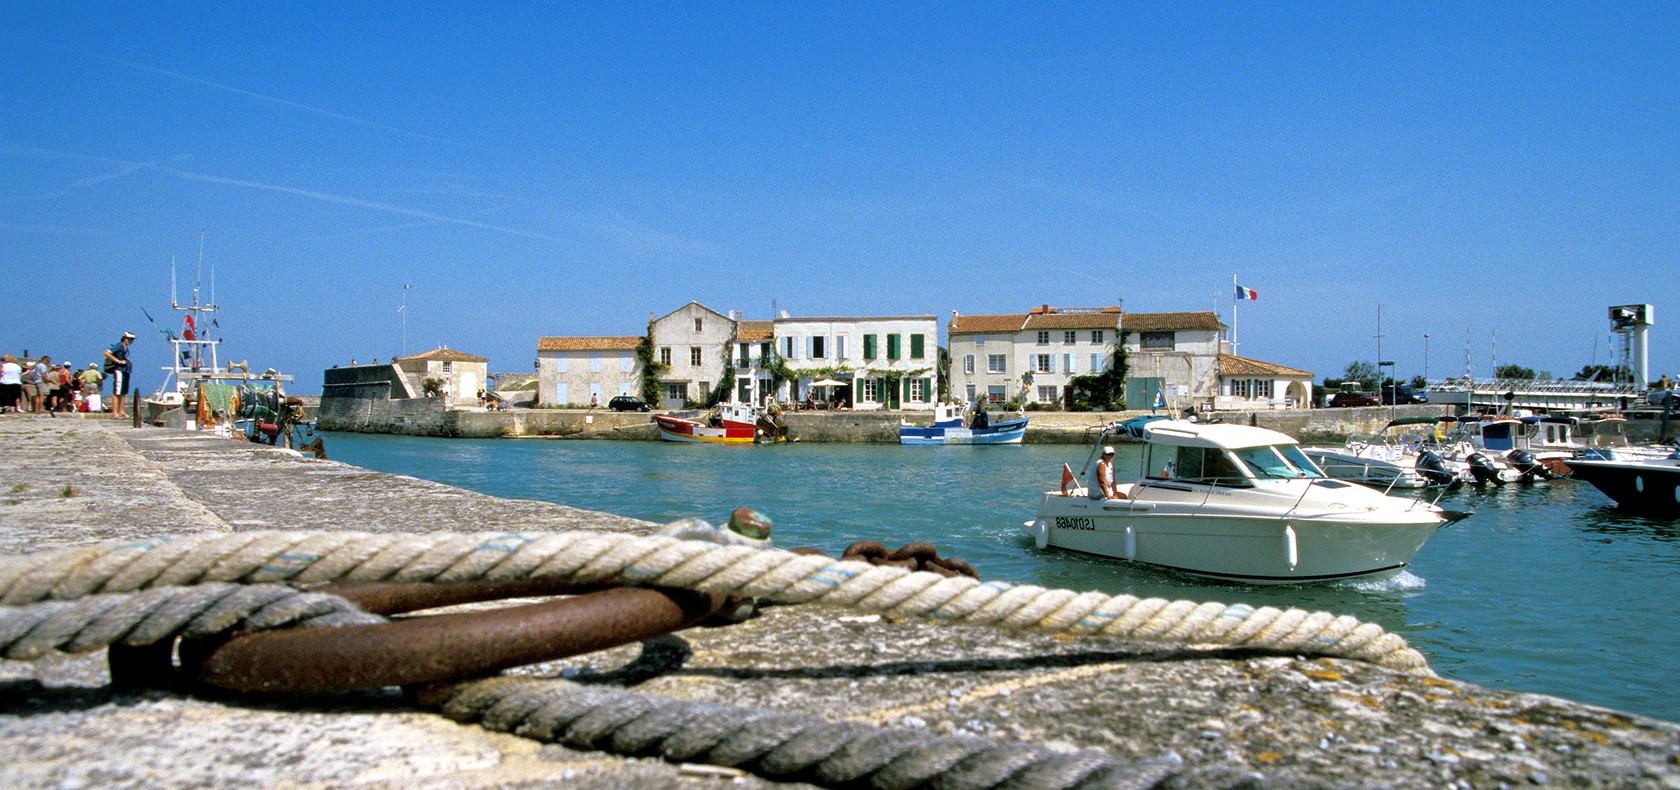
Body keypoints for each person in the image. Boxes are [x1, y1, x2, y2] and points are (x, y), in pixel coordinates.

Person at [104, 332, 135, 419]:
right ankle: (114, 412)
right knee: (117, 391)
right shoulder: (119, 345)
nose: (132, 341)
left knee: (123, 392)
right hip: (119, 370)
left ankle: (121, 411)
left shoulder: (125, 348)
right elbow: (106, 353)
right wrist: (118, 361)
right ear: (125, 338)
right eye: (131, 339)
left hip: (125, 371)